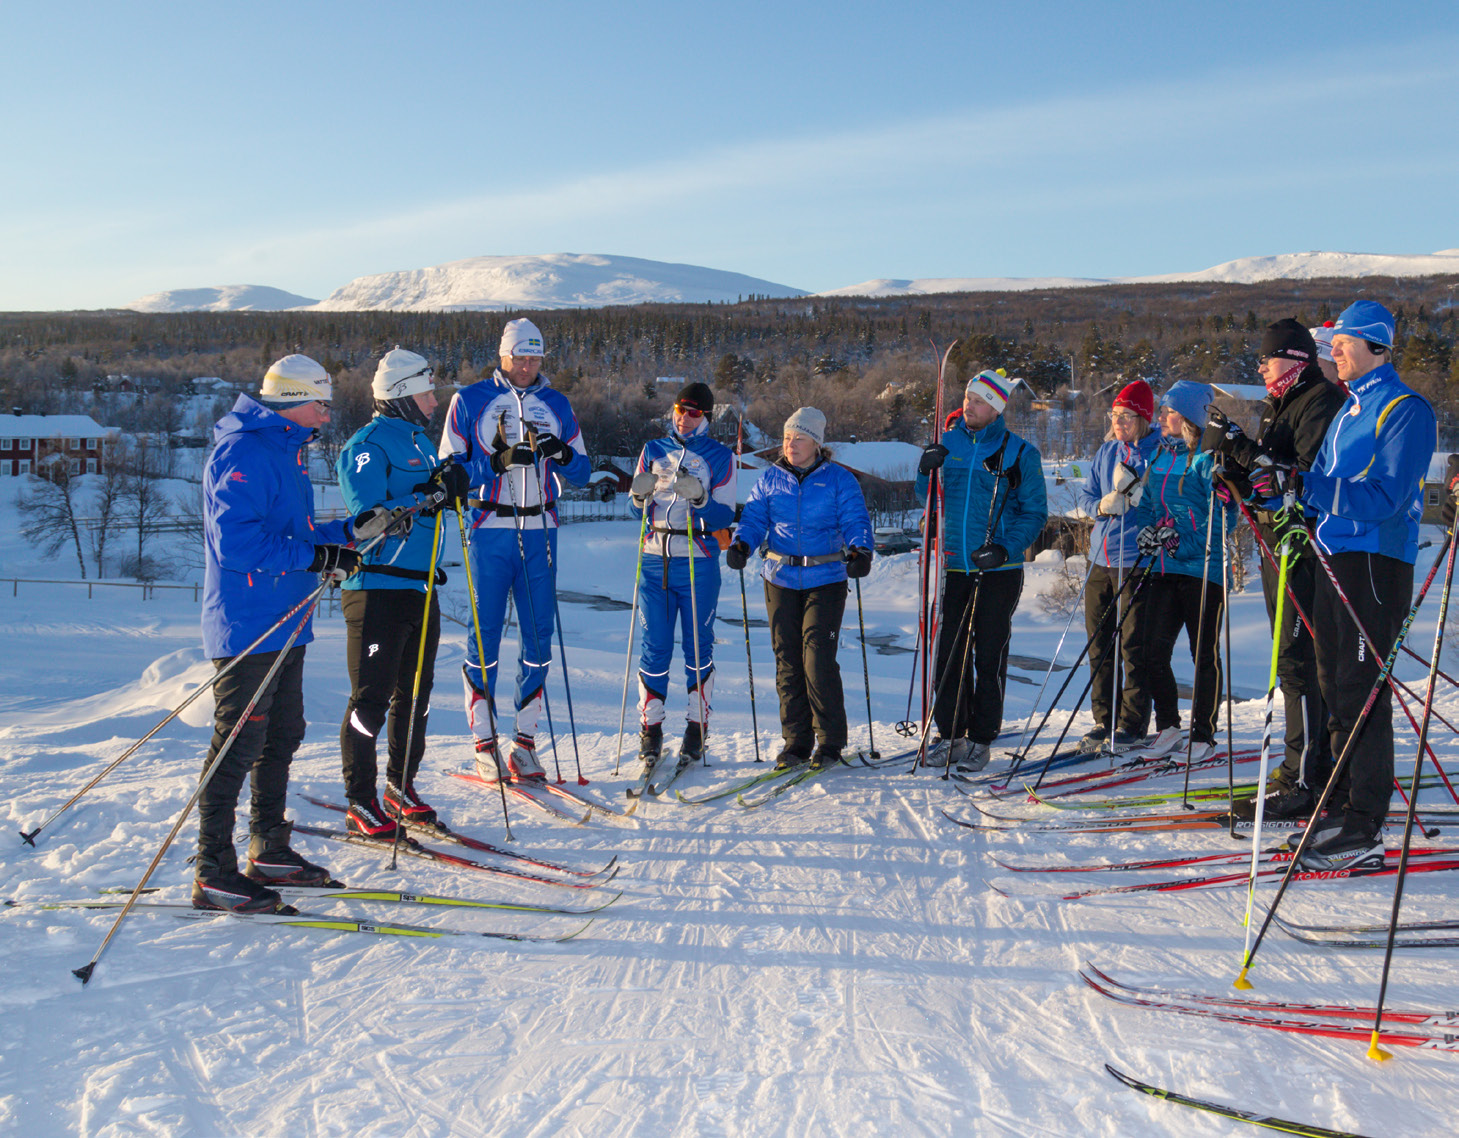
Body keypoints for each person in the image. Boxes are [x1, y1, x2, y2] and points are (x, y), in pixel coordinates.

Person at [196, 354, 398, 912]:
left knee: (282, 735)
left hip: (288, 618)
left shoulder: (286, 450)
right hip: (249, 624)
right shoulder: (243, 452)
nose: (328, 414)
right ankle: (214, 868)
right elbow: (237, 546)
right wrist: (317, 554)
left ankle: (268, 847)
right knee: (237, 744)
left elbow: (295, 532)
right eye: (322, 402)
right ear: (292, 400)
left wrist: (345, 532)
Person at [1252, 300, 1437, 868]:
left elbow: (1388, 497)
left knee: (1361, 690)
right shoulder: (1351, 409)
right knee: (1332, 682)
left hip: (1376, 562)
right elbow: (1322, 483)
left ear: (1376, 346)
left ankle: (1364, 822)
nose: (1332, 349)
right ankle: (1335, 801)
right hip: (1334, 555)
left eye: (1342, 341)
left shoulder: (1406, 409)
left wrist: (1311, 488)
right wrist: (1284, 485)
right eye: (1330, 341)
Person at [1202, 319, 1345, 819]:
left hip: (1305, 548)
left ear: (1298, 359)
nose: (1260, 367)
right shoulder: (1279, 406)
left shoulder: (1322, 402)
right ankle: (1310, 770)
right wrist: (1232, 476)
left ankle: (1304, 778)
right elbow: (1266, 479)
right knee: (1293, 660)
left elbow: (1297, 481)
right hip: (1273, 543)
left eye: (1268, 358)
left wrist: (1241, 446)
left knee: (1301, 661)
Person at [440, 318, 591, 781]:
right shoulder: (469, 400)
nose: (526, 366)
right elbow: (449, 473)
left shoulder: (556, 403)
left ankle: (524, 743)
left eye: (535, 358)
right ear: (503, 356)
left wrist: (561, 455)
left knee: (538, 636)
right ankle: (484, 742)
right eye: (519, 357)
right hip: (489, 526)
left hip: (541, 527)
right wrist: (497, 462)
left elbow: (583, 472)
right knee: (484, 636)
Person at [336, 348, 469, 838]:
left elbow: (431, 502)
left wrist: (451, 485)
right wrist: (430, 495)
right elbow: (369, 521)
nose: (434, 402)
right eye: (427, 392)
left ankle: (400, 785)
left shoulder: (420, 442)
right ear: (401, 395)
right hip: (377, 590)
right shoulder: (368, 445)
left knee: (416, 695)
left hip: (421, 587)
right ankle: (360, 798)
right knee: (370, 700)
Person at [914, 369, 1048, 774]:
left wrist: (1006, 547)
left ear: (996, 408)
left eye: (978, 401)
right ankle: (951, 732)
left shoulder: (1020, 452)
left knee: (988, 654)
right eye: (968, 398)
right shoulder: (948, 444)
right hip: (955, 565)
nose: (968, 405)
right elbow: (927, 500)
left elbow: (1036, 512)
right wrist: (925, 468)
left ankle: (981, 737)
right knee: (949, 654)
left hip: (999, 568)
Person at [728, 408, 873, 770]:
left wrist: (861, 550)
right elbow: (754, 518)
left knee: (817, 660)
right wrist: (742, 544)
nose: (791, 445)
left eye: (800, 438)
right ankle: (796, 742)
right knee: (787, 660)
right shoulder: (769, 479)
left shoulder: (839, 480)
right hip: (780, 577)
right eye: (788, 437)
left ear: (817, 443)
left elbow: (855, 518)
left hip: (825, 578)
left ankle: (829, 742)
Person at [629, 381, 736, 767]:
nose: (684, 418)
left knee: (696, 647)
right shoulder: (653, 451)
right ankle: (651, 730)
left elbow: (725, 514)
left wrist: (701, 499)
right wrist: (638, 497)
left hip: (697, 558)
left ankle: (696, 728)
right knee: (654, 646)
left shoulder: (720, 456)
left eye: (694, 413)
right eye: (680, 410)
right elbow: (632, 509)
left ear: (705, 416)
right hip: (655, 557)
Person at [1131, 381, 1231, 764]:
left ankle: (1203, 734)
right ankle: (1169, 727)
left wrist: (1179, 541)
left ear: (1187, 417)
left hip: (1203, 570)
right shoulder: (1159, 454)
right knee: (1151, 650)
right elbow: (1149, 504)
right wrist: (1149, 530)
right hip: (1164, 566)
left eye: (1168, 411)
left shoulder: (1208, 458)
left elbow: (1222, 519)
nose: (1160, 417)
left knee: (1202, 653)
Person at [1075, 380, 1160, 755]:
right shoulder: (1107, 451)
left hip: (1136, 559)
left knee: (1133, 645)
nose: (1119, 422)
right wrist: (1102, 505)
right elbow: (1087, 493)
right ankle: (1102, 718)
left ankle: (1133, 721)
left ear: (1144, 418)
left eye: (1127, 416)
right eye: (1115, 415)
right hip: (1100, 558)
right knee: (1099, 644)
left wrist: (1141, 502)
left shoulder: (1157, 452)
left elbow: (1165, 502)